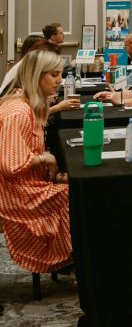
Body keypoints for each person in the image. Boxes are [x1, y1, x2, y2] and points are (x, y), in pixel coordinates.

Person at [0, 50, 73, 276]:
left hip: (22, 185)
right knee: (77, 194)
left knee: (73, 186)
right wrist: (45, 158)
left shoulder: (23, 104)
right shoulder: (19, 112)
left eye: (60, 74)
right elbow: (10, 164)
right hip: (14, 193)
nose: (59, 80)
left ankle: (72, 261)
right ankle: (74, 262)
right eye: (53, 74)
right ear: (36, 76)